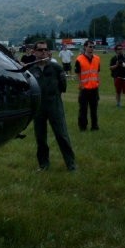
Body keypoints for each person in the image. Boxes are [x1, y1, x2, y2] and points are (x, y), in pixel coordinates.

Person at [31, 41, 76, 172]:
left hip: (54, 106)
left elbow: (63, 87)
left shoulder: (56, 68)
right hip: (38, 108)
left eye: (45, 49)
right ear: (34, 52)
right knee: (40, 137)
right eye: (40, 50)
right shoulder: (30, 70)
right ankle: (43, 165)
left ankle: (71, 164)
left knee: (62, 135)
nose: (43, 52)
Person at [75, 40, 101, 131]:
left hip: (94, 88)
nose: (91, 48)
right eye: (90, 46)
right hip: (84, 89)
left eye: (93, 47)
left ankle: (94, 126)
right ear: (85, 47)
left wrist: (98, 81)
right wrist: (80, 84)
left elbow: (97, 71)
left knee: (94, 109)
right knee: (83, 109)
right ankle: (83, 127)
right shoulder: (79, 59)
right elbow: (78, 73)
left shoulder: (97, 58)